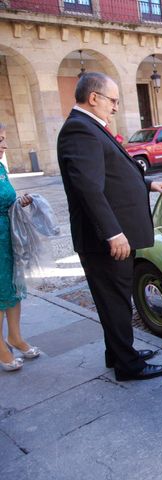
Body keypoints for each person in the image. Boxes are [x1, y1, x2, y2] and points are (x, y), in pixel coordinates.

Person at [57, 72, 162, 381]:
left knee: (115, 301)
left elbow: (112, 175)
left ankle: (120, 353)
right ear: (93, 97)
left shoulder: (90, 127)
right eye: (113, 100)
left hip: (111, 235)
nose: (116, 107)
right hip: (105, 240)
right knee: (115, 302)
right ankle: (128, 365)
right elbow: (89, 189)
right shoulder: (80, 131)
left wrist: (148, 184)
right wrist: (113, 232)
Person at [0, 123, 39, 372]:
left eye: (3, 139)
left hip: (7, 236)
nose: (4, 145)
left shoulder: (1, 168)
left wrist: (19, 201)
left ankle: (15, 336)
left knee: (14, 287)